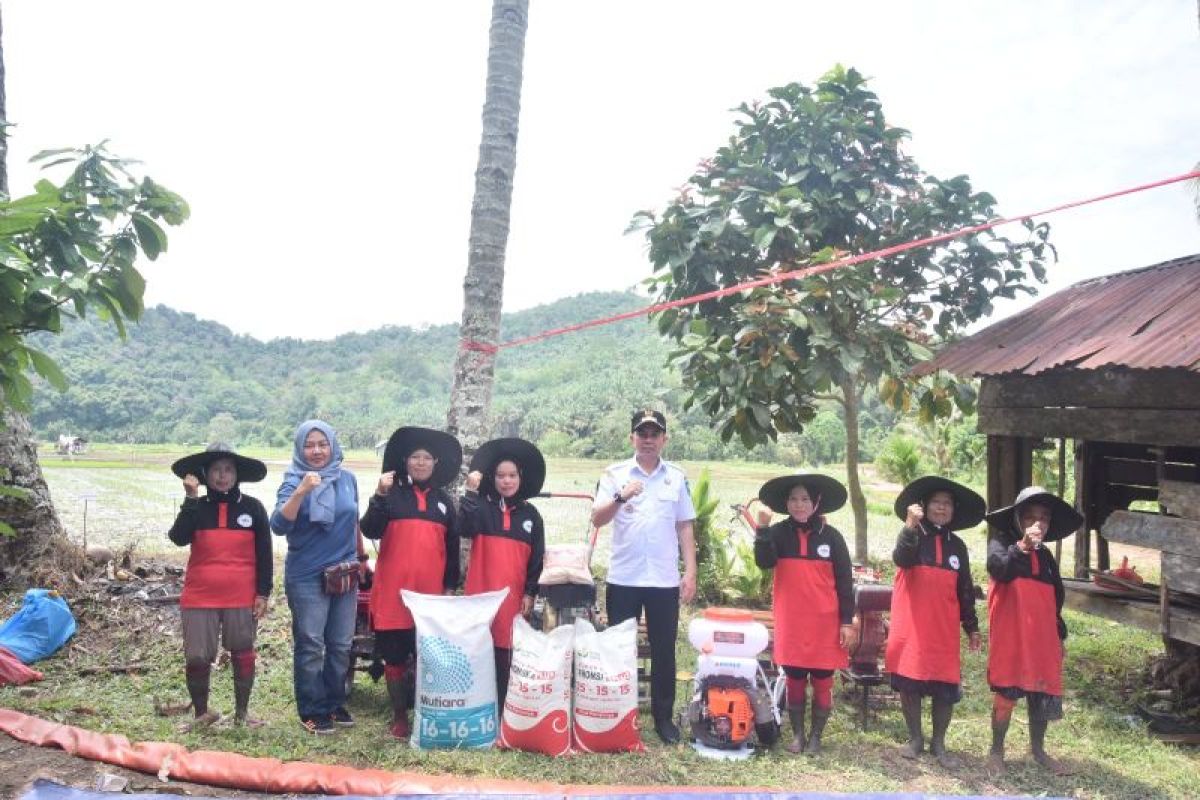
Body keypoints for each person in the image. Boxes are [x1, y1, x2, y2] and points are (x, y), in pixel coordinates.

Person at [592, 409, 697, 744]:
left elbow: (684, 526)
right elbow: (597, 519)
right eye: (642, 433)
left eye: (655, 433)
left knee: (664, 649)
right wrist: (621, 496)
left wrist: (690, 571)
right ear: (632, 438)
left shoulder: (676, 477)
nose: (648, 439)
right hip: (624, 577)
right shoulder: (614, 474)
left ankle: (663, 719)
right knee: (620, 647)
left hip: (664, 580)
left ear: (664, 439)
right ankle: (620, 714)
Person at [359, 425, 462, 739]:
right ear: (405, 462)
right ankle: (399, 716)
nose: (420, 463)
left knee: (428, 656)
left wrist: (449, 588)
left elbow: (454, 549)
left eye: (426, 458)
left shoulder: (444, 502)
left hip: (431, 598)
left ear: (435, 464)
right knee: (394, 656)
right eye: (415, 457)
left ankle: (427, 711)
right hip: (394, 594)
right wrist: (378, 495)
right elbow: (370, 529)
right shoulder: (391, 496)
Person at [167, 444, 272, 729]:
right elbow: (177, 537)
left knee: (243, 650)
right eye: (216, 470)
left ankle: (242, 714)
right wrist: (190, 499)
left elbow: (265, 554)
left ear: (237, 474)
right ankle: (202, 713)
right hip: (200, 595)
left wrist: (263, 593)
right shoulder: (196, 507)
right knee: (197, 655)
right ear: (204, 474)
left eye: (228, 470)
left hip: (242, 594)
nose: (222, 476)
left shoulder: (253, 508)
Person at [271, 420, 365, 735]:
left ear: (333, 446)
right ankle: (311, 709)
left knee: (340, 644)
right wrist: (301, 492)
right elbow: (278, 526)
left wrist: (359, 560)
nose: (316, 451)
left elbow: (354, 522)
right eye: (309, 445)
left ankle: (334, 702)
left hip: (344, 574)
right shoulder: (293, 480)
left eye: (322, 444)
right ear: (300, 448)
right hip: (307, 575)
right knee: (311, 644)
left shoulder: (348, 479)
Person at [886, 475, 986, 768]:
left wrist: (971, 626)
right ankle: (915, 739)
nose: (941, 508)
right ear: (924, 506)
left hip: (944, 627)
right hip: (912, 622)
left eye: (947, 503)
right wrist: (909, 526)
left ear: (953, 510)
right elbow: (902, 559)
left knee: (946, 683)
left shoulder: (958, 546)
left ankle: (939, 743)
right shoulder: (912, 533)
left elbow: (965, 588)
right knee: (910, 681)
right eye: (936, 502)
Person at [984, 486, 1081, 776]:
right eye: (1030, 517)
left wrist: (1058, 633)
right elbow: (997, 569)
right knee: (1007, 692)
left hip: (1043, 638)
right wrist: (1022, 547)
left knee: (1042, 692)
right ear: (1017, 518)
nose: (1038, 523)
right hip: (1011, 636)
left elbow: (1056, 599)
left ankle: (1038, 750)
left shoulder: (1048, 557)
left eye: (1044, 518)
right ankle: (996, 751)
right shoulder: (1001, 543)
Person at [754, 474, 854, 755]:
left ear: (816, 502)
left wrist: (847, 621)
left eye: (805, 499)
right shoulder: (777, 533)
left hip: (826, 623)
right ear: (786, 503)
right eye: (793, 499)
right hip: (792, 621)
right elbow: (764, 562)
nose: (799, 505)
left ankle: (816, 737)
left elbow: (846, 583)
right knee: (795, 678)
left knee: (823, 680)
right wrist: (762, 529)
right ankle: (797, 734)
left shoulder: (832, 538)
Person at [461, 437, 546, 708]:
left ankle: (505, 709)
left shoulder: (531, 515)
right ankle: (478, 706)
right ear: (492, 478)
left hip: (514, 596)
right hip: (481, 594)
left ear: (521, 478)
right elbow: (463, 527)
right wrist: (470, 494)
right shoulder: (481, 506)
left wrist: (531, 593)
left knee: (507, 653)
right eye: (500, 476)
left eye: (511, 476)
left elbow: (536, 560)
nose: (506, 481)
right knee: (479, 650)